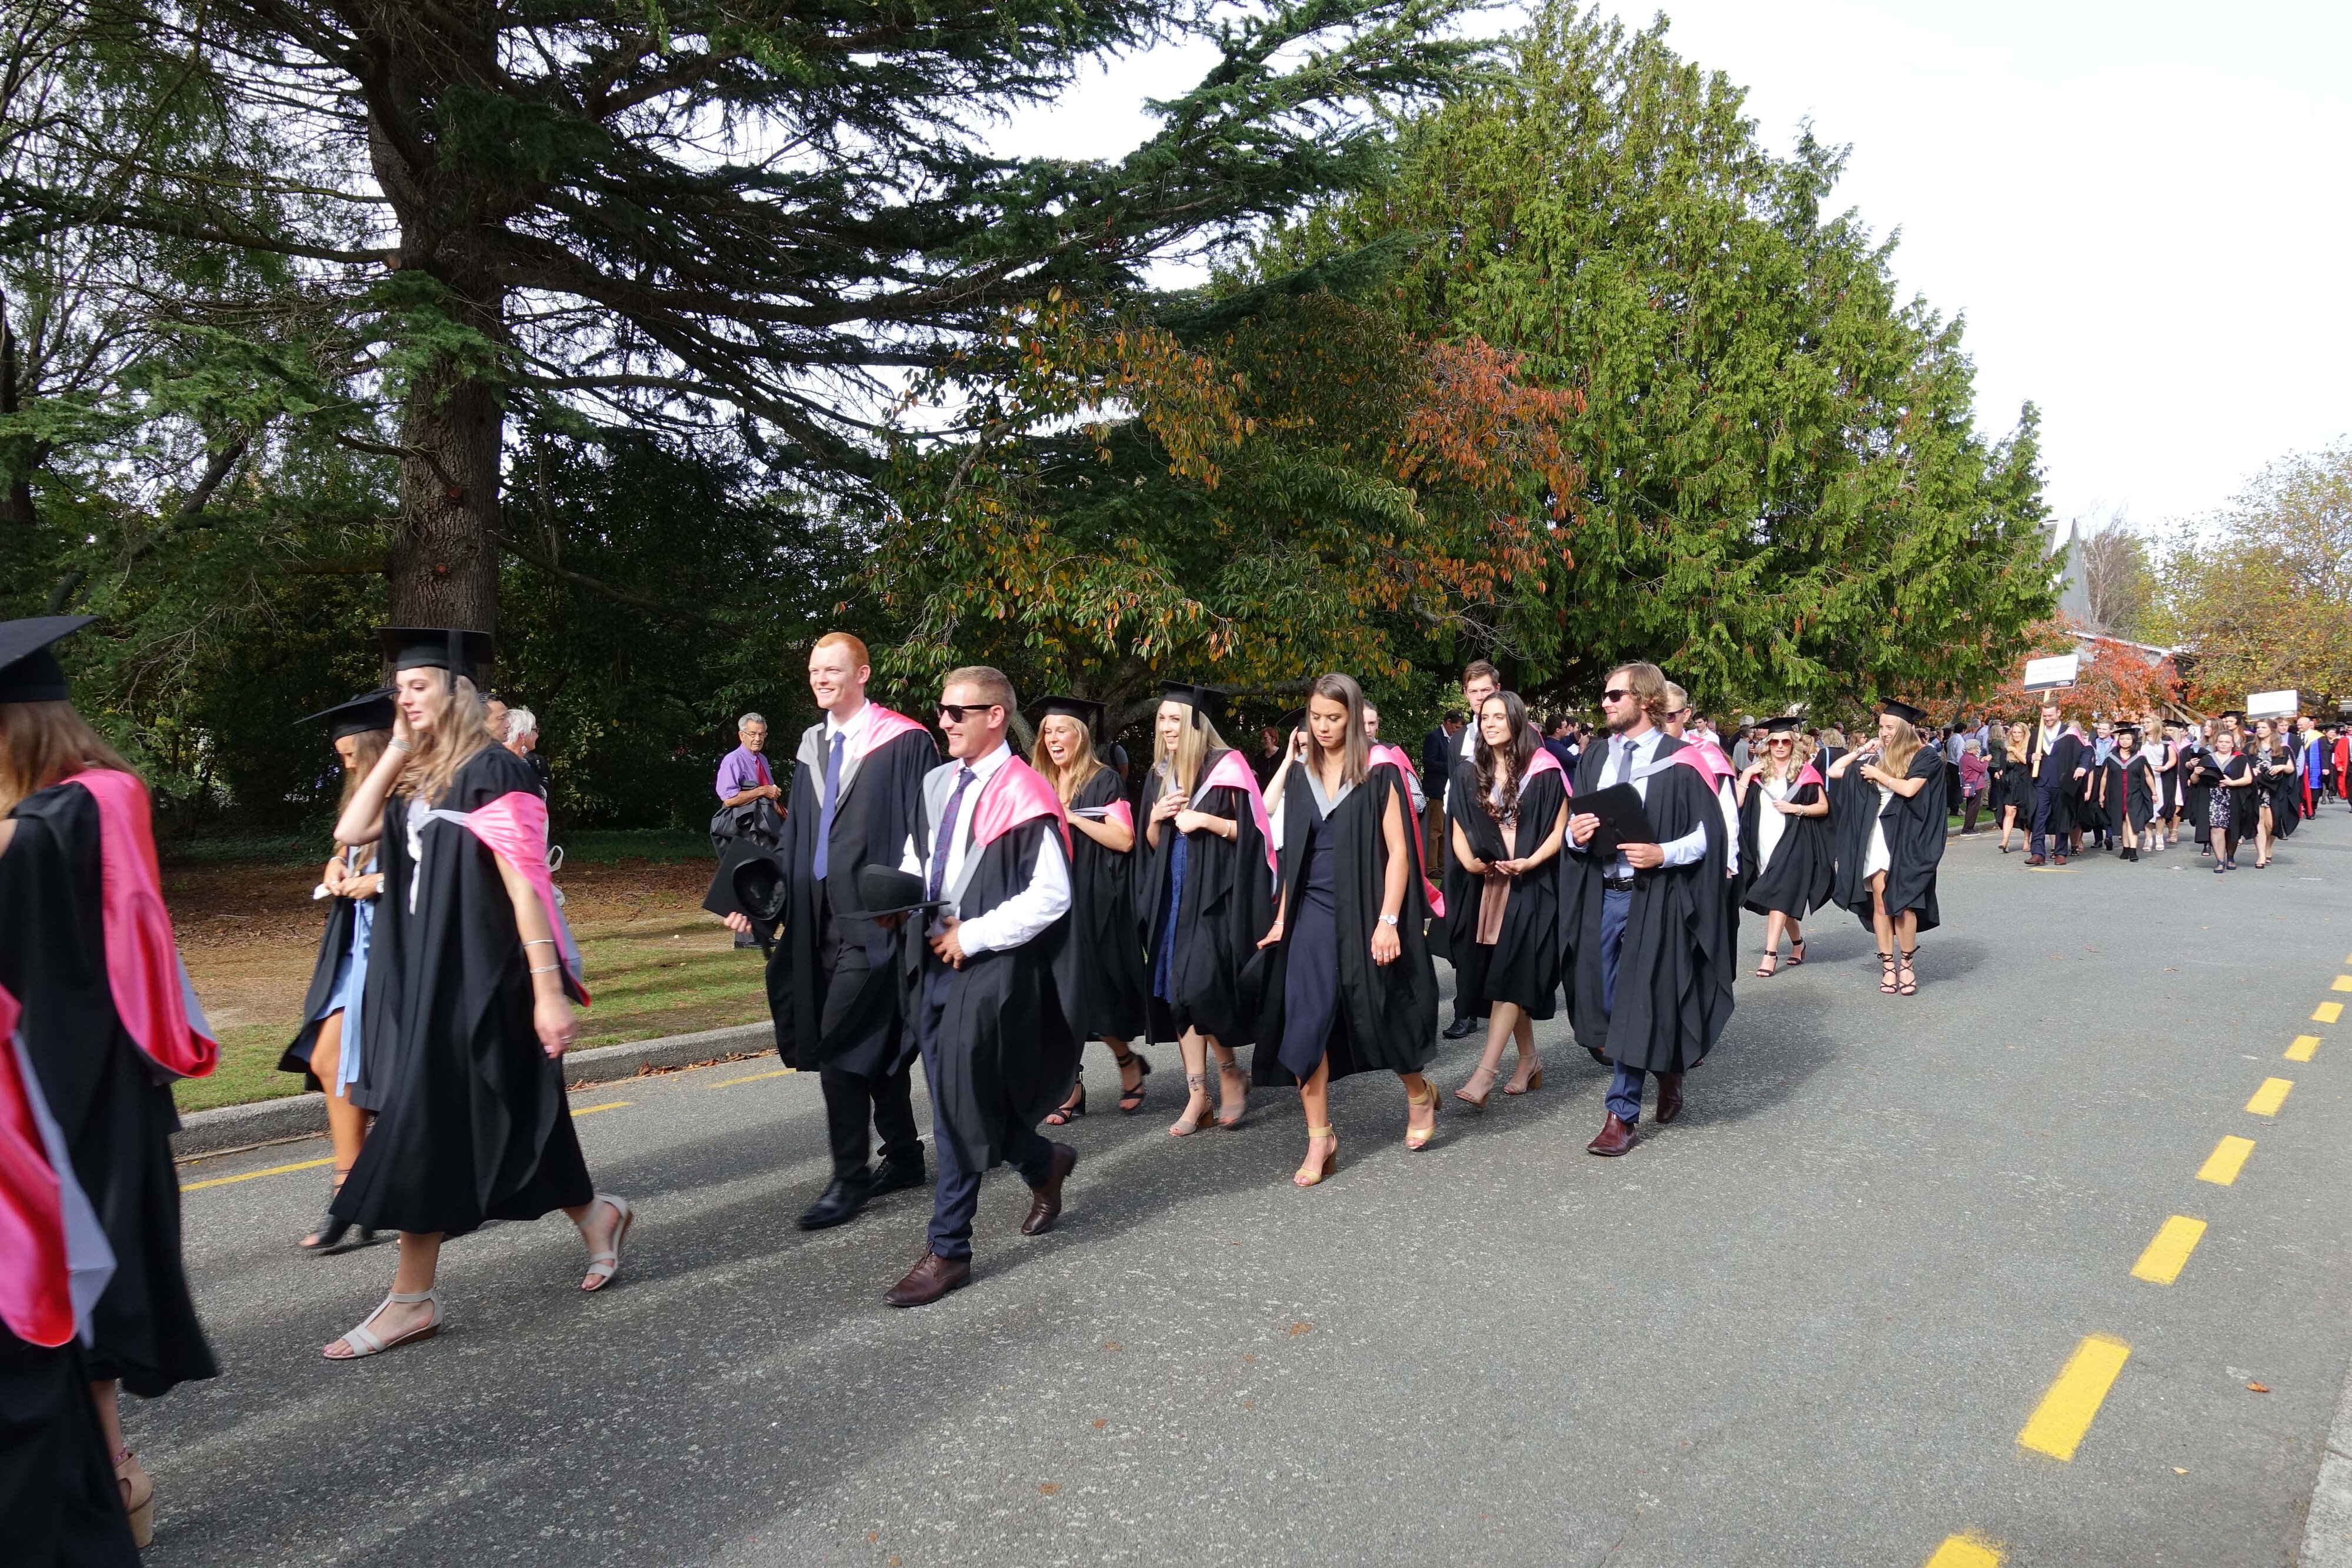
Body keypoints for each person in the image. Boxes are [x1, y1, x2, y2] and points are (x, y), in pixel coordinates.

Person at [322, 628, 630, 1360]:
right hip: (426, 976)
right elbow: (351, 828)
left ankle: (411, 1297)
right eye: (400, 688)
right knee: (514, 1109)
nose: (404, 696)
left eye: (418, 685)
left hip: (485, 975)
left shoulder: (499, 771)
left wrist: (547, 991)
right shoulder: (418, 771)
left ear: (459, 689)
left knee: (423, 1123)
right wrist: (397, 745)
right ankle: (597, 1215)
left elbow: (526, 884)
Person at [0, 615, 221, 1553]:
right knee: (85, 1288)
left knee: (60, 1287)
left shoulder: (48, 822)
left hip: (50, 1089)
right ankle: (117, 1471)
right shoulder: (109, 795)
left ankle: (112, 1482)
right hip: (105, 1082)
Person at [878, 666, 1083, 1307]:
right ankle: (1042, 1161)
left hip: (991, 967)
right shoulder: (938, 782)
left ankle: (950, 1248)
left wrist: (974, 935)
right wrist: (899, 899)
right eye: (941, 710)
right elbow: (924, 856)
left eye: (956, 711)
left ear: (995, 715)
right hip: (931, 954)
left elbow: (1051, 895)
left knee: (953, 1106)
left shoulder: (1026, 793)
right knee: (964, 1096)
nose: (944, 720)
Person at [728, 636, 937, 1230]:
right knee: (873, 1041)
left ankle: (848, 1179)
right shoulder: (813, 745)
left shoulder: (904, 740)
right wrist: (762, 905)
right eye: (815, 669)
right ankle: (903, 1155)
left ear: (861, 673)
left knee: (842, 1040)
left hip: (875, 918)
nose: (822, 678)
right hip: (816, 916)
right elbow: (796, 841)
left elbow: (924, 834)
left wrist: (908, 907)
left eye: (833, 669)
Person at [1250, 674, 1440, 1184]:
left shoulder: (1379, 772)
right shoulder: (1298, 775)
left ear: (1353, 718)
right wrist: (1281, 919)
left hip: (1367, 908)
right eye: (1315, 717)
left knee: (1380, 1011)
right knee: (1304, 1021)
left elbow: (1400, 851)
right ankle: (1320, 1138)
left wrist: (1389, 922)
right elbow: (1293, 855)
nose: (1323, 727)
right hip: (1312, 911)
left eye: (1333, 718)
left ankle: (1419, 1095)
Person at [1562, 662, 1735, 1156]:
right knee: (1610, 999)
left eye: (1615, 695)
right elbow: (1575, 825)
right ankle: (1668, 1067)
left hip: (1655, 897)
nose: (1605, 703)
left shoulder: (1682, 760)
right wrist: (1575, 839)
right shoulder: (1594, 758)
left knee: (1638, 1000)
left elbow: (1709, 836)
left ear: (1645, 700)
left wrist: (1663, 853)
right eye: (1605, 695)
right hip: (1604, 892)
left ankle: (1621, 1113)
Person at [279, 690, 395, 1253]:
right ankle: (355, 1189)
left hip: (397, 950)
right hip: (355, 948)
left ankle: (354, 1193)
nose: (344, 764)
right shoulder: (364, 796)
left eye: (351, 756)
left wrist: (381, 880)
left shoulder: (413, 786)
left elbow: (441, 858)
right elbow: (353, 847)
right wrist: (338, 865)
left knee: (355, 1067)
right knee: (331, 1060)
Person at [1139, 682, 1274, 1136]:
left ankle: (1231, 1071)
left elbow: (1257, 835)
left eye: (1174, 718)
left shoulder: (1228, 767)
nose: (1165, 727)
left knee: (1199, 988)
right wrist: (1157, 820)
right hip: (1173, 894)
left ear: (1197, 724)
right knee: (1177, 995)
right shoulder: (1161, 774)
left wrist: (1207, 821)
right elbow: (1151, 847)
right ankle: (1198, 1093)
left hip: (1215, 895)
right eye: (1161, 719)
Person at [1447, 690, 1570, 1110]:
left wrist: (1531, 860)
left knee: (1508, 974)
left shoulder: (1544, 769)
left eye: (1499, 716)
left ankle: (1484, 1072)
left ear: (1516, 722)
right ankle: (1530, 1061)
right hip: (1491, 885)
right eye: (1485, 716)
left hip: (1532, 882)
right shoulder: (1469, 771)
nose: (1490, 722)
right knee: (1509, 974)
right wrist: (1467, 861)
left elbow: (1560, 827)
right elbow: (1459, 824)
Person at [1031, 696, 1150, 1122]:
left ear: (1079, 735)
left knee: (1095, 997)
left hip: (1091, 899)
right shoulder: (1036, 781)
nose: (1052, 738)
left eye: (1061, 729)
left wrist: (1072, 818)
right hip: (1047, 899)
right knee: (1054, 998)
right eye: (1047, 731)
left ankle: (1127, 1062)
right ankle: (1071, 1087)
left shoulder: (1104, 782)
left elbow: (1124, 839)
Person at [1827, 699, 1945, 998]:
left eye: (1889, 727)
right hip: (1877, 837)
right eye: (1881, 727)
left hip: (1908, 838)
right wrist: (1862, 751)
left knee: (1903, 902)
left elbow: (1909, 789)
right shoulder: (1877, 756)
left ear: (1906, 728)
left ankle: (1907, 963)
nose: (1884, 732)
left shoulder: (1926, 755)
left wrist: (1879, 774)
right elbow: (1835, 772)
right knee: (1881, 903)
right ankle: (1888, 966)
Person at [1433, 662, 1502, 1040]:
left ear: (1498, 689)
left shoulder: (1521, 733)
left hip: (1504, 843)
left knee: (1502, 928)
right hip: (1463, 843)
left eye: (1485, 691)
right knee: (1463, 928)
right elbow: (1451, 793)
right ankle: (1465, 1011)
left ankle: (1501, 1004)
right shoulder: (1459, 741)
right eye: (1473, 693)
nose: (1479, 699)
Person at [1736, 717, 1832, 975]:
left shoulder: (1805, 773)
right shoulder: (1757, 772)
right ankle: (1799, 944)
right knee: (1781, 895)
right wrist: (1745, 774)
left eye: (1785, 741)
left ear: (1793, 744)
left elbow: (1823, 807)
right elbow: (1736, 803)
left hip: (1794, 842)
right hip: (1763, 841)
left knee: (1778, 893)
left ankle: (1770, 955)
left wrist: (1796, 808)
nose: (1780, 746)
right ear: (1768, 744)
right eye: (1775, 741)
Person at [2025, 702, 2086, 867]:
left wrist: (2082, 767)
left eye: (2050, 716)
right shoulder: (2037, 733)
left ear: (2059, 713)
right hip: (2041, 782)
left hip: (2061, 782)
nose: (2047, 719)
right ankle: (2037, 853)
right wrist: (2032, 758)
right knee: (2039, 817)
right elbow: (2028, 754)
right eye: (2044, 716)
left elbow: (2086, 751)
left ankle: (2060, 852)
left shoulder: (2070, 733)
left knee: (2062, 817)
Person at [2206, 726, 2253, 872]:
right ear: (2216, 743)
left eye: (2227, 742)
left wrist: (2232, 783)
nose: (2224, 744)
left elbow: (2248, 779)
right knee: (2217, 829)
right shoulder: (2208, 758)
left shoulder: (2241, 758)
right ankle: (2220, 860)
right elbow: (2195, 780)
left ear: (2232, 744)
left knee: (2233, 830)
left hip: (2234, 796)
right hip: (2214, 797)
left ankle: (2231, 856)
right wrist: (2195, 771)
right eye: (2221, 742)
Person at [2114, 725, 2158, 860]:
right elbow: (2105, 777)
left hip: (2135, 792)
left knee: (2131, 819)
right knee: (2123, 821)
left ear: (2133, 740)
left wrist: (2154, 792)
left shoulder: (2139, 757)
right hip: (2118, 792)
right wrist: (2102, 795)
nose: (2125, 741)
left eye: (2128, 738)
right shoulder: (2112, 757)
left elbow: (2149, 776)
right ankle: (2126, 848)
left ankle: (2133, 850)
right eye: (2122, 738)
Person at [1993, 721, 2033, 853]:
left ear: (2024, 734)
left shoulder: (2029, 747)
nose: (2016, 735)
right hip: (2010, 784)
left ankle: (2027, 840)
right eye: (2014, 732)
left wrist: (2015, 751)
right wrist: (2000, 773)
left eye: (2019, 732)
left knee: (2025, 814)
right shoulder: (2006, 748)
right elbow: (2003, 766)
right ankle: (2005, 840)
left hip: (2025, 783)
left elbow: (2027, 761)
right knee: (2009, 811)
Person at [1957, 737, 1989, 835]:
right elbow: (1982, 768)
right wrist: (1986, 761)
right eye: (1976, 748)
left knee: (1971, 806)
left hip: (1971, 784)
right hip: (1975, 785)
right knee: (1973, 807)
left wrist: (1981, 760)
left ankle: (1969, 828)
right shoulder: (1970, 758)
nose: (1977, 750)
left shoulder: (1965, 757)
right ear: (1973, 748)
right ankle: (1968, 829)